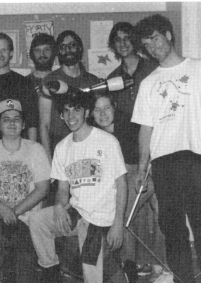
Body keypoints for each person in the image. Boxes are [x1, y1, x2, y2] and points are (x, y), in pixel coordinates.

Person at [132, 14, 201, 283]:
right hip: (162, 162)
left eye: (155, 39)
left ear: (169, 35)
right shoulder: (148, 83)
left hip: (194, 159)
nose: (153, 47)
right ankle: (183, 279)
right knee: (172, 227)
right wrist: (142, 167)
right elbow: (145, 129)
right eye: (147, 45)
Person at [28, 89, 127, 282]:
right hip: (77, 213)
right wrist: (58, 206)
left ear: (86, 112)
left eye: (76, 110)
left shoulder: (107, 141)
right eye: (66, 111)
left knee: (92, 276)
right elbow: (63, 189)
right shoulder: (62, 147)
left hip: (100, 219)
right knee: (37, 220)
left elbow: (122, 185)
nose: (71, 116)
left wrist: (118, 224)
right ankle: (51, 269)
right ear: (62, 115)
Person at [0, 99, 51, 282]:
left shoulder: (36, 150)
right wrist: (3, 209)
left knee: (25, 256)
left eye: (16, 119)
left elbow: (43, 188)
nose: (12, 123)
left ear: (23, 124)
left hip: (29, 217)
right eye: (6, 119)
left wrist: (15, 211)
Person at [90, 92, 165, 276]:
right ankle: (131, 264)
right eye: (97, 109)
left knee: (124, 212)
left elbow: (146, 155)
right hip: (118, 179)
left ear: (114, 107)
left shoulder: (129, 125)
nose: (102, 114)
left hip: (142, 173)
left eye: (107, 108)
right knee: (124, 214)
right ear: (90, 113)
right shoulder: (92, 132)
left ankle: (157, 266)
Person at [38, 30, 101, 155]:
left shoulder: (93, 81)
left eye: (72, 46)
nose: (67, 51)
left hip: (89, 147)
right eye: (62, 47)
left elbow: (99, 118)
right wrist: (48, 161)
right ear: (58, 52)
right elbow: (44, 125)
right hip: (59, 147)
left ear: (80, 48)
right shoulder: (50, 82)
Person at [106, 22, 158, 122]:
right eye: (118, 40)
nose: (122, 44)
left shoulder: (153, 69)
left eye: (127, 38)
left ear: (134, 40)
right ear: (113, 44)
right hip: (126, 133)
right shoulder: (112, 78)